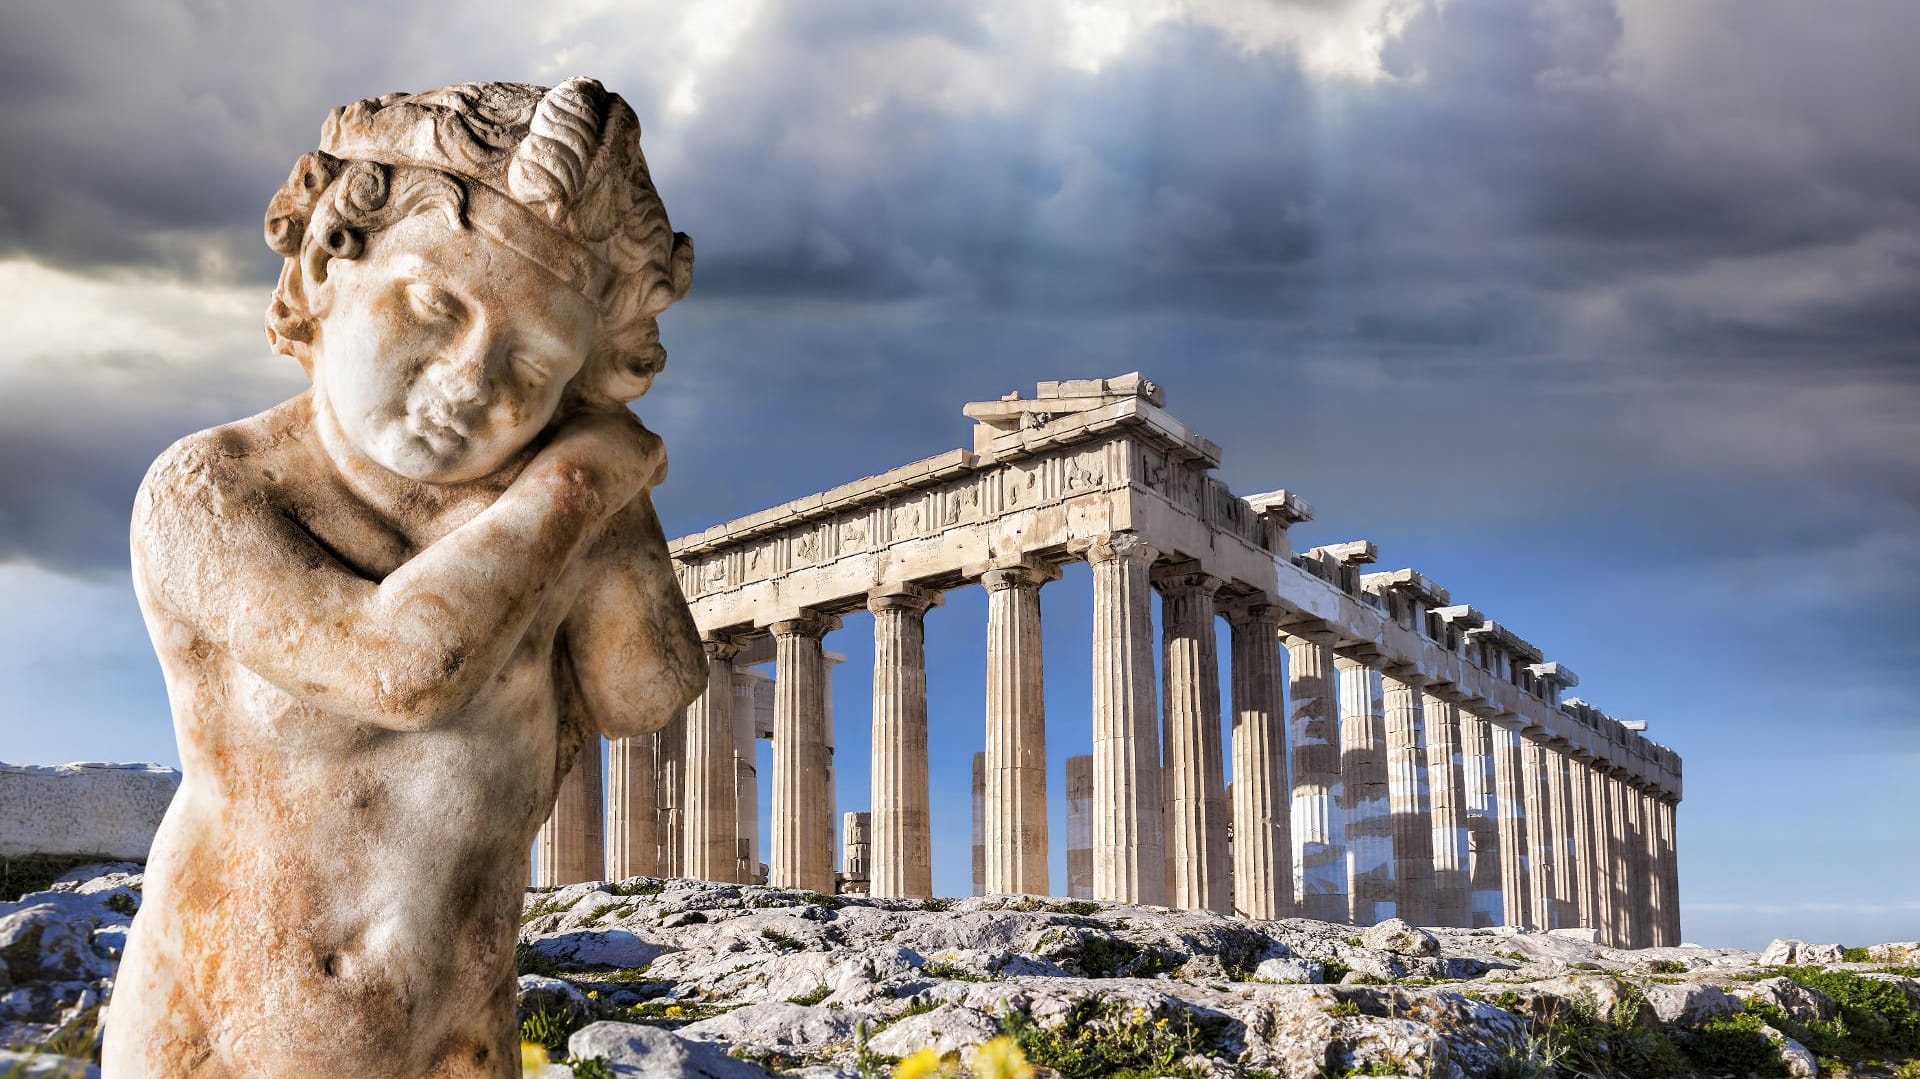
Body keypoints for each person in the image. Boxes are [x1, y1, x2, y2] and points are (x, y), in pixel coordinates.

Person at [103, 79, 705, 1077]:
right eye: (434, 303)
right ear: (329, 262)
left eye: (537, 358)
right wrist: (585, 473)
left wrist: (605, 496)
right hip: (232, 1038)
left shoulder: (539, 521)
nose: (470, 377)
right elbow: (399, 669)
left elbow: (646, 690)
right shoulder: (210, 489)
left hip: (462, 1028)